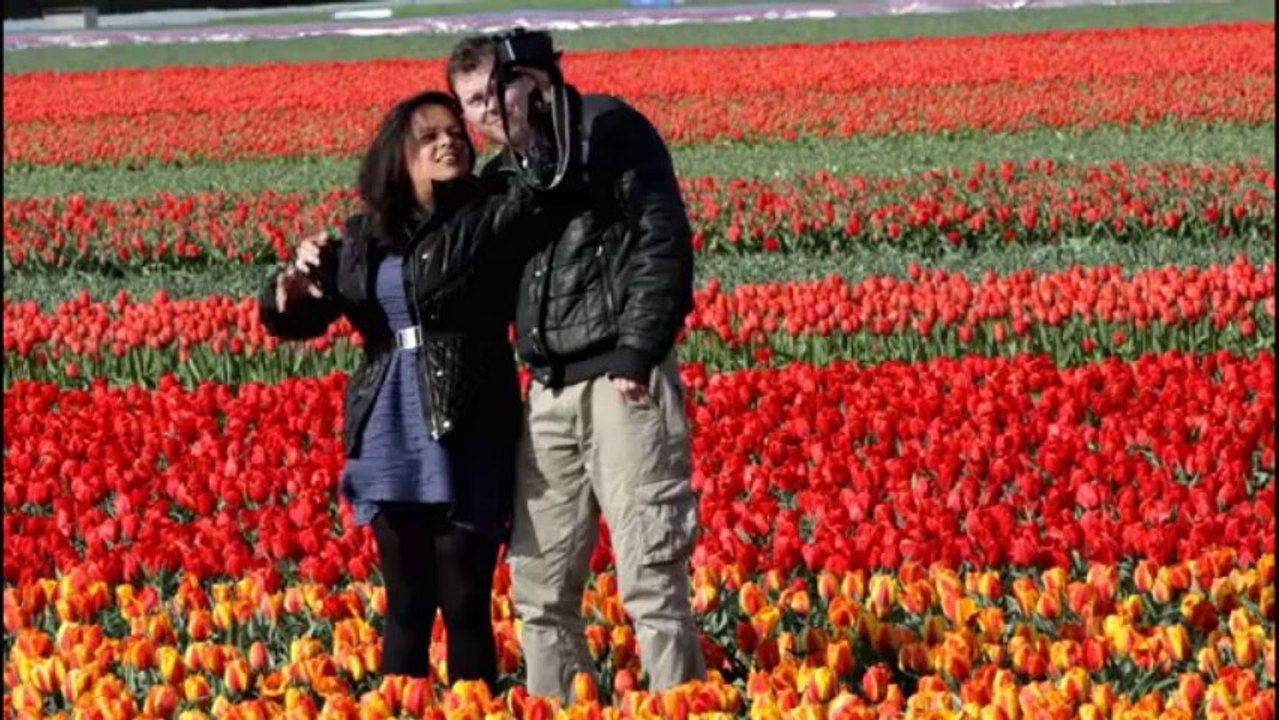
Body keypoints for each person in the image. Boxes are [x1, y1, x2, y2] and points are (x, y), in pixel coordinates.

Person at [259, 87, 558, 690]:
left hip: (467, 414)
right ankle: (402, 705)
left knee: (465, 595)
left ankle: (473, 706)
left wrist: (526, 102)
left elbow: (539, 177)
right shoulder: (362, 237)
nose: (450, 142)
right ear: (399, 154)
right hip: (388, 420)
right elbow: (304, 314)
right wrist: (285, 290)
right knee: (406, 600)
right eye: (431, 136)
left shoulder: (487, 215)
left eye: (456, 133)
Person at [447, 32, 705, 701]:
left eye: (494, 90)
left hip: (621, 381)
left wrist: (637, 353)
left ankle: (682, 706)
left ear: (531, 79)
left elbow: (661, 238)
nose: (485, 109)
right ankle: (556, 706)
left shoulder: (605, 131)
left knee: (650, 575)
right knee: (538, 585)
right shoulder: (503, 179)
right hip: (547, 391)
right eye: (471, 101)